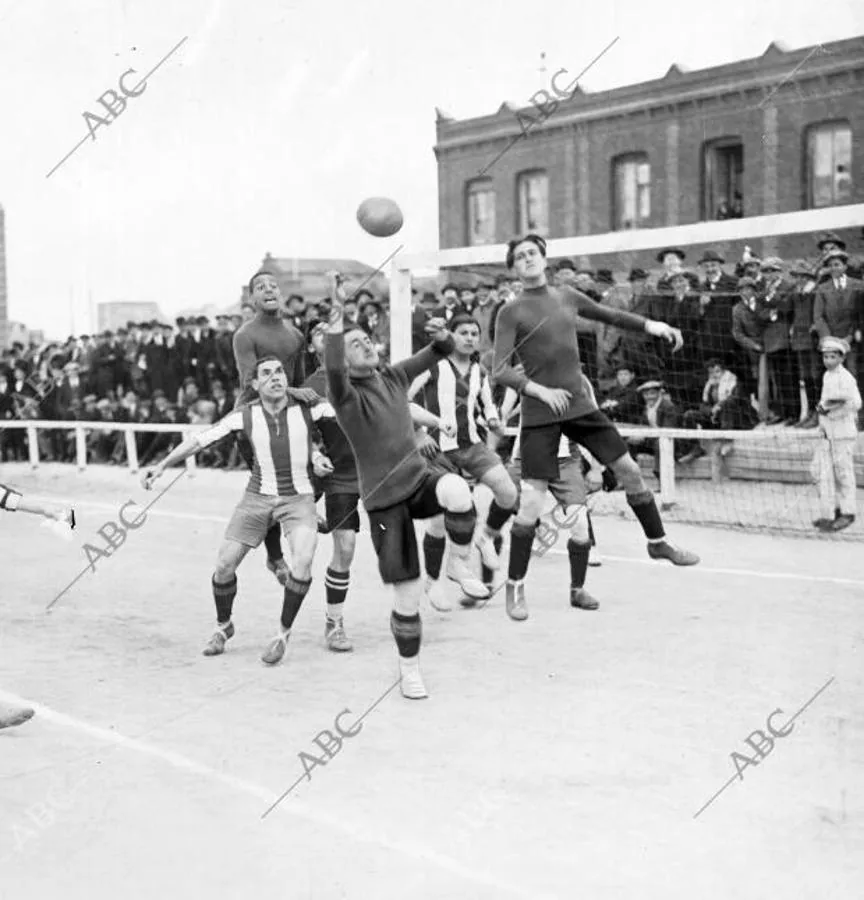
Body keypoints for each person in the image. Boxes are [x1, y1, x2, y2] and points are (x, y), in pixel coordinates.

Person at [492, 233, 699, 621]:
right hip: (540, 412)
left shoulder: (566, 295)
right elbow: (499, 369)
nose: (527, 260)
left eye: (532, 253)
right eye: (519, 257)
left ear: (544, 258)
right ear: (513, 268)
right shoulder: (511, 311)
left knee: (631, 471)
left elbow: (613, 317)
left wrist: (655, 326)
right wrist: (537, 389)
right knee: (533, 502)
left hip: (579, 405)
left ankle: (657, 542)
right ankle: (515, 585)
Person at [323, 272, 488, 700]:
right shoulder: (344, 393)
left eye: (367, 341)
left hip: (418, 481)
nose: (366, 346)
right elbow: (335, 362)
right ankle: (409, 668)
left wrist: (441, 332)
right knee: (408, 594)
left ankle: (458, 564)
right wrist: (339, 314)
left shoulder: (394, 377)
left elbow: (441, 350)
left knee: (457, 491)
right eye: (355, 343)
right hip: (382, 503)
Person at [142, 357, 332, 664]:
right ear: (255, 385)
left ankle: (282, 634)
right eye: (266, 374)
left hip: (298, 498)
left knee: (304, 561)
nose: (275, 378)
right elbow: (198, 441)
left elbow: (356, 419)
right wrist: (162, 465)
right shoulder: (245, 414)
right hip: (257, 497)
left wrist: (320, 457)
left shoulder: (310, 407)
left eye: (280, 372)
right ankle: (223, 626)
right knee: (224, 566)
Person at [408, 314, 519, 611]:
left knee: (508, 493)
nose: (470, 338)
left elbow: (487, 406)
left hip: (471, 446)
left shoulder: (479, 371)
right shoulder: (432, 366)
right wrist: (418, 434)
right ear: (450, 336)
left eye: (474, 333)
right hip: (436, 450)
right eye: (463, 332)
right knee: (437, 522)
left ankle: (484, 539)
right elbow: (402, 401)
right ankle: (433, 583)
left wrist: (494, 420)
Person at [232, 269, 320, 587]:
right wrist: (296, 393)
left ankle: (301, 516)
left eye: (273, 285)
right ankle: (275, 556)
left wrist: (300, 397)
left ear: (280, 294)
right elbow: (250, 382)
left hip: (286, 414)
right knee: (267, 489)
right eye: (260, 286)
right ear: (252, 298)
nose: (268, 289)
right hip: (253, 419)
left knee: (300, 478)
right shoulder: (244, 335)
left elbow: (297, 382)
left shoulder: (295, 335)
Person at [302, 321, 361, 652]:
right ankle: (334, 622)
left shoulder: (365, 376)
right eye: (320, 332)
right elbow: (301, 432)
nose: (329, 335)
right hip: (340, 475)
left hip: (376, 471)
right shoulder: (310, 387)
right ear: (312, 347)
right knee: (346, 547)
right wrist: (313, 453)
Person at [811, 337, 861, 533]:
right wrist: (822, 412)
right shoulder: (827, 376)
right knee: (821, 472)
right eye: (825, 356)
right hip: (828, 434)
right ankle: (830, 512)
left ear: (841, 358)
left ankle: (848, 512)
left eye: (833, 356)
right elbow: (825, 402)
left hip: (843, 434)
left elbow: (856, 403)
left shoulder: (847, 377)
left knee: (844, 473)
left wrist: (834, 412)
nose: (828, 360)